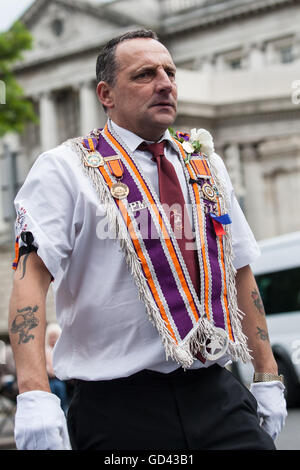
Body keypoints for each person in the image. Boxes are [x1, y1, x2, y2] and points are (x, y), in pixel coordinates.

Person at [8, 29, 287, 451]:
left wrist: (267, 375)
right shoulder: (63, 169)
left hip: (215, 392)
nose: (165, 83)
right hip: (116, 405)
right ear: (107, 94)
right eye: (144, 74)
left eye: (170, 72)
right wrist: (33, 391)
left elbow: (240, 269)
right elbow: (30, 278)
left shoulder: (205, 162)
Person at [45, 323, 69, 414]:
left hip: (62, 380)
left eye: (54, 337)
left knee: (60, 389)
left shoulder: (62, 350)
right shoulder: (46, 351)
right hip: (51, 380)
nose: (53, 339)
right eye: (51, 337)